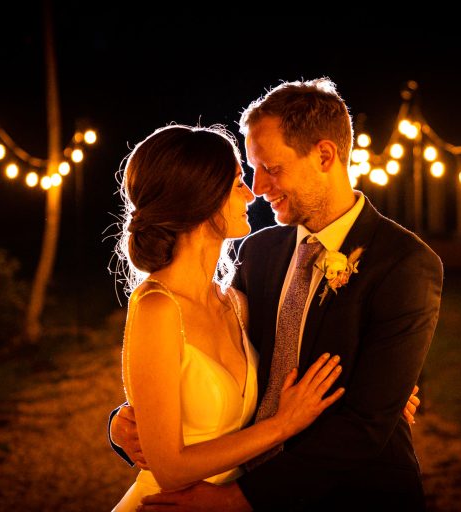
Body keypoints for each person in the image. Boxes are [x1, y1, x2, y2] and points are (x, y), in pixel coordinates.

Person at [112, 77, 442, 511]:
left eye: (271, 167)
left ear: (324, 155)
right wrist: (123, 422)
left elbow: (365, 423)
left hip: (350, 496)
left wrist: (236, 499)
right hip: (234, 481)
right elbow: (193, 356)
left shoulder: (404, 263)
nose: (258, 187)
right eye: (250, 170)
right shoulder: (260, 253)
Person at [110, 124, 348, 512]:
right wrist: (282, 426)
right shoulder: (157, 308)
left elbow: (300, 349)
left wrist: (379, 385)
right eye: (238, 181)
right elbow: (169, 468)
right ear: (201, 195)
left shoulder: (235, 303)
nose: (251, 193)